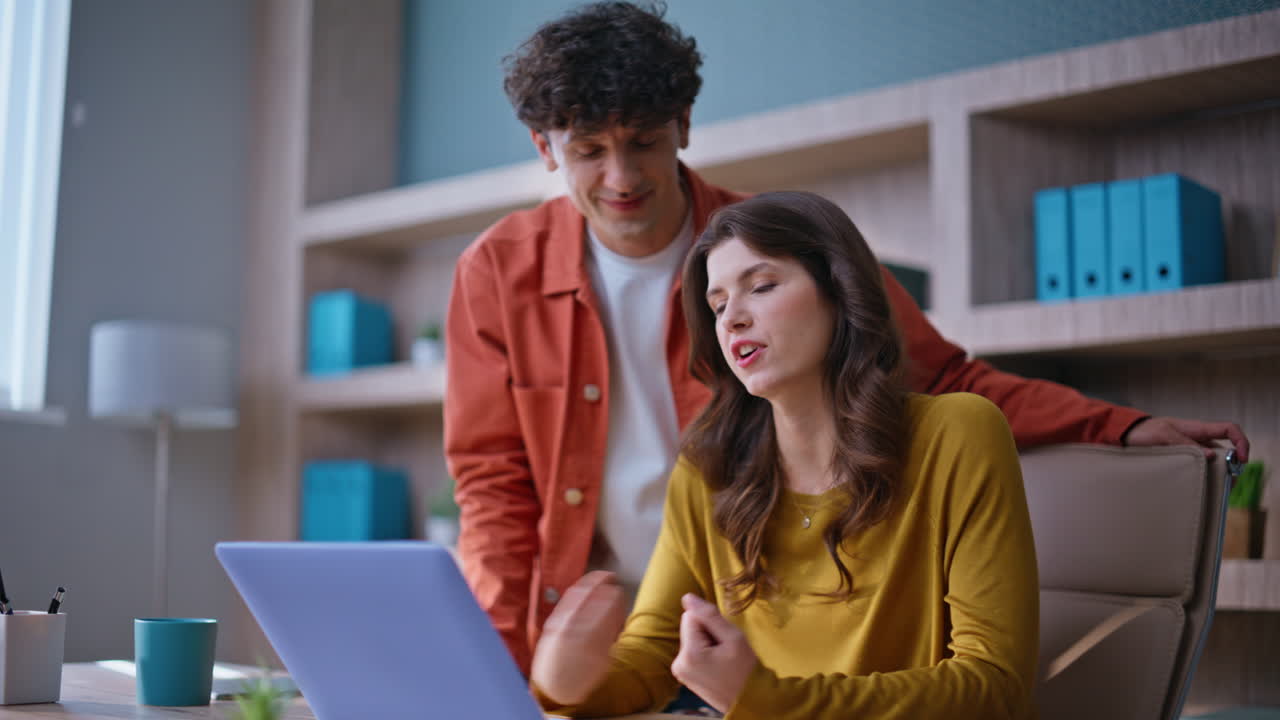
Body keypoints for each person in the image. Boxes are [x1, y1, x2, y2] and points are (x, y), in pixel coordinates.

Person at [444, 0, 1249, 676]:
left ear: (684, 124)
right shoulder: (496, 272)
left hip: (755, 620)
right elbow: (492, 487)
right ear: (546, 150)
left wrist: (1121, 425)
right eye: (589, 151)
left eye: (644, 141)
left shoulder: (771, 248)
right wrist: (506, 674)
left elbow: (945, 379)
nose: (622, 178)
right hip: (597, 636)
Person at [530, 191, 1039, 718]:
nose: (732, 321)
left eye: (762, 286)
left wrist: (769, 703)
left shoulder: (957, 434)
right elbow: (654, 655)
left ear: (840, 292)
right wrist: (569, 683)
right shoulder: (708, 470)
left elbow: (994, 685)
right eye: (718, 304)